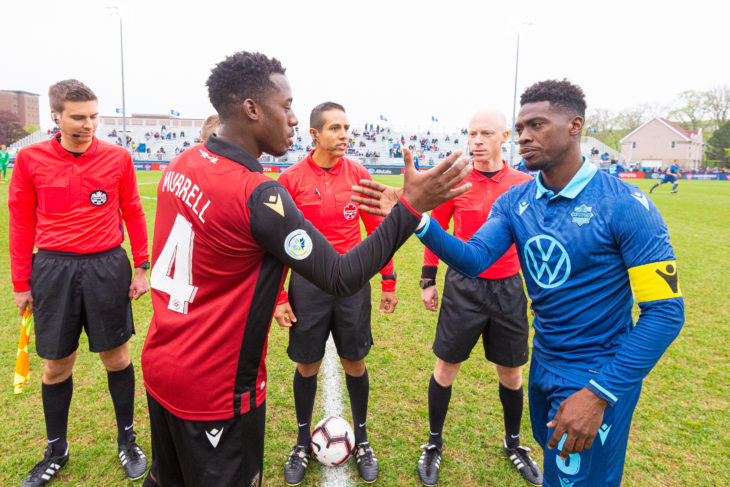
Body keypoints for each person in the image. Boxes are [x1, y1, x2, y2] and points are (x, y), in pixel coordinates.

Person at [139, 51, 472, 487]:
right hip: (214, 385)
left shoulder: (183, 164)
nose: (294, 118)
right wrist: (410, 209)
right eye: (287, 105)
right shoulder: (259, 194)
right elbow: (338, 275)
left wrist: (388, 275)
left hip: (163, 363)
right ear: (252, 110)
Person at [353, 79, 684, 487]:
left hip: (595, 376)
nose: (524, 136)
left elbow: (665, 312)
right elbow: (474, 260)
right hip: (545, 364)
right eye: (522, 127)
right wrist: (414, 217)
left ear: (575, 125)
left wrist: (599, 393)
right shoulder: (516, 202)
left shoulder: (627, 207)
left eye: (537, 125)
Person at [9, 79, 151, 486]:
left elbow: (133, 210)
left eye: (93, 116)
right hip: (53, 269)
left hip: (107, 266)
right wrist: (22, 283)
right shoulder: (30, 159)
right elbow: (20, 223)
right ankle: (56, 449)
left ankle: (127, 440)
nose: (89, 124)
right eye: (78, 117)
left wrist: (141, 266)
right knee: (56, 365)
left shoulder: (118, 158)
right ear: (56, 116)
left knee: (117, 358)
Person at [416, 109, 541, 486]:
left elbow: (534, 240)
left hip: (508, 288)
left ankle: (515, 444)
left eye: (486, 133)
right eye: (472, 133)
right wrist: (428, 280)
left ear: (504, 136)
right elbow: (435, 230)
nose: (477, 140)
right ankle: (434, 443)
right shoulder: (455, 181)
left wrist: (538, 290)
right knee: (446, 367)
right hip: (463, 287)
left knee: (512, 372)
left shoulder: (523, 183)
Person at [275, 102, 396, 485]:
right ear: (314, 135)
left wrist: (389, 281)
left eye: (347, 127)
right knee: (307, 365)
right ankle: (300, 442)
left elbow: (379, 233)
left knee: (354, 363)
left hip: (352, 285)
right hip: (307, 286)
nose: (345, 134)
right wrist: (279, 297)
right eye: (336, 128)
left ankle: (361, 441)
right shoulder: (290, 179)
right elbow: (276, 244)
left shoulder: (359, 175)